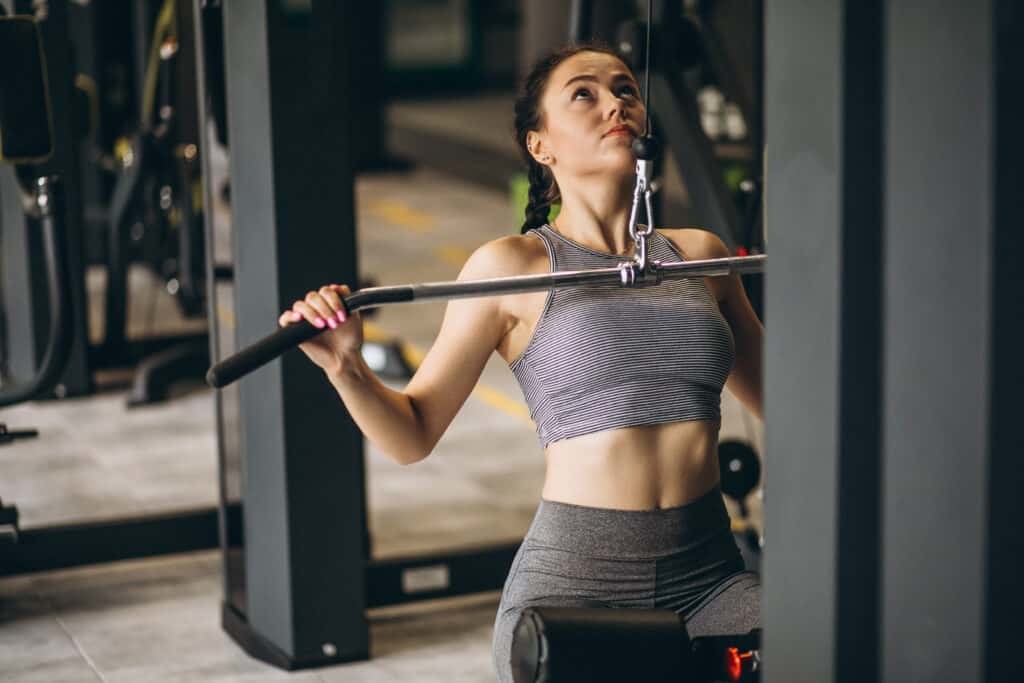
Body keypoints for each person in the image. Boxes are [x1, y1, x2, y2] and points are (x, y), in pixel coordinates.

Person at [280, 43, 763, 683]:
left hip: (710, 574)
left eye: (625, 89)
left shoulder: (702, 258)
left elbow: (792, 403)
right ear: (541, 147)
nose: (615, 101)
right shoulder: (511, 269)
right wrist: (347, 367)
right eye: (584, 93)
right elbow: (413, 434)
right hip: (578, 583)